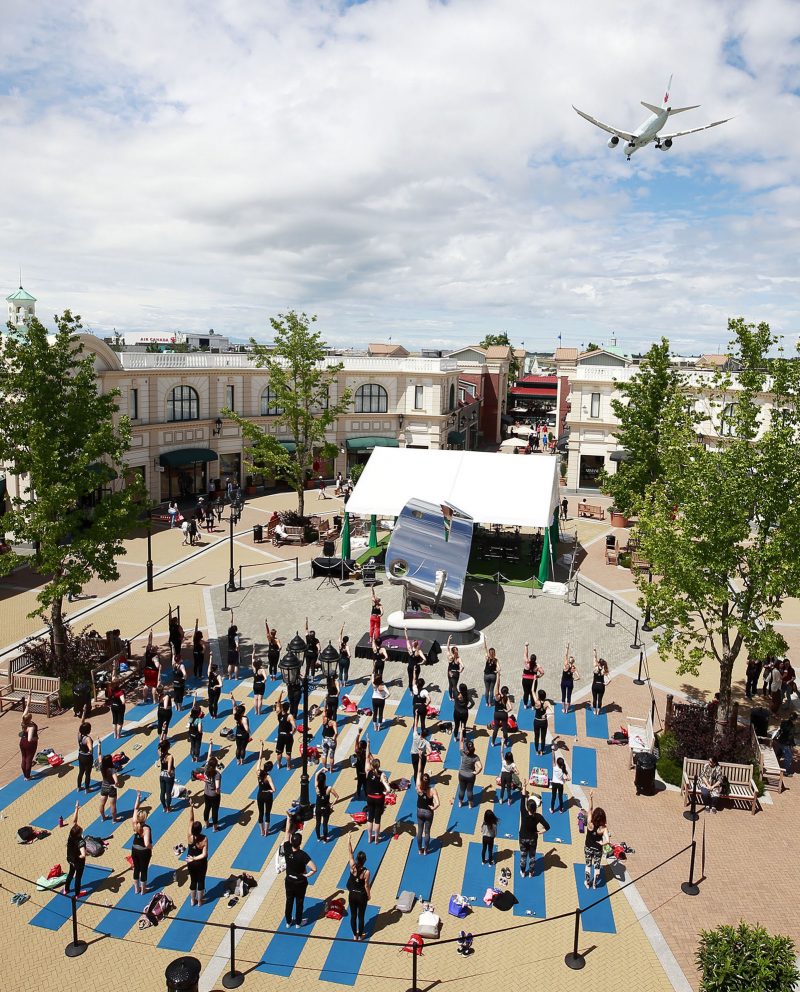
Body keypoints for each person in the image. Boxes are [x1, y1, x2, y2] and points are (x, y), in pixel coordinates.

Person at [282, 815, 317, 927]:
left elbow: (287, 831)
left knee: (289, 901)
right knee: (299, 902)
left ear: (292, 841)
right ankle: (298, 922)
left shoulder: (287, 848)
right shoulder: (302, 855)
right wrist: (306, 875)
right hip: (300, 883)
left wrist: (288, 818)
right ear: (300, 843)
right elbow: (314, 869)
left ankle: (288, 921)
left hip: (289, 881)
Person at [519, 786, 550, 879]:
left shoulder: (523, 812)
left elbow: (522, 797)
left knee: (523, 856)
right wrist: (540, 832)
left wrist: (524, 786)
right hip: (533, 838)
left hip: (523, 838)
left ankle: (523, 872)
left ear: (527, 808)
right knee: (532, 857)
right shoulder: (538, 816)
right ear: (535, 808)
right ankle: (531, 873)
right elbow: (548, 827)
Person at [346, 835, 371, 941]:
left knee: (353, 915)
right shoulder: (366, 872)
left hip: (352, 894)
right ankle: (360, 936)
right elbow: (366, 885)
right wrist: (369, 895)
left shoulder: (352, 866)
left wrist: (349, 840)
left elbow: (350, 853)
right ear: (364, 860)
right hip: (361, 896)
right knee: (361, 916)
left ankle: (354, 935)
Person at [584, 792, 609, 888]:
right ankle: (594, 884)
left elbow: (590, 809)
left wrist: (591, 798)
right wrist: (602, 843)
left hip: (588, 847)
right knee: (597, 866)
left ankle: (587, 882)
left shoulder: (590, 822)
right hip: (598, 849)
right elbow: (608, 841)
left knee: (588, 865)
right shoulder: (603, 828)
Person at [187, 800, 209, 906]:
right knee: (201, 881)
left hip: (190, 861)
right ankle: (200, 901)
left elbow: (191, 819)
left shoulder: (189, 836)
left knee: (193, 881)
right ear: (200, 830)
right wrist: (195, 858)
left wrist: (191, 807)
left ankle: (192, 900)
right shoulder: (204, 839)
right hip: (200, 863)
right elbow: (204, 854)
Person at [131, 792, 153, 894]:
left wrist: (138, 798)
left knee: (136, 868)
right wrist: (151, 847)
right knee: (143, 870)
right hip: (143, 852)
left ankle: (136, 888)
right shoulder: (146, 828)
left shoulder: (135, 823)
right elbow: (146, 843)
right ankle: (143, 890)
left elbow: (135, 809)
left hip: (134, 849)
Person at [64, 801, 86, 896]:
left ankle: (66, 889)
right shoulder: (81, 842)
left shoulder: (71, 835)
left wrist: (76, 809)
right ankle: (77, 894)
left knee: (70, 873)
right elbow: (83, 854)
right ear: (79, 834)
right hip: (78, 861)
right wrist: (82, 855)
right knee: (78, 877)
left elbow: (74, 821)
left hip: (70, 858)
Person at [365, 757, 389, 844]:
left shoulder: (368, 772)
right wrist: (385, 793)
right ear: (379, 766)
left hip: (370, 798)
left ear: (372, 765)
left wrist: (368, 745)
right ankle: (376, 839)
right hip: (379, 798)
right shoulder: (382, 775)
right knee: (377, 819)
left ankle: (369, 837)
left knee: (370, 818)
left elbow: (367, 759)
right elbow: (388, 789)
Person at [415, 771, 440, 856]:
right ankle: (425, 850)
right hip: (428, 812)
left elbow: (418, 773)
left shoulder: (418, 788)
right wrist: (434, 808)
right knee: (427, 832)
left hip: (420, 811)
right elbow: (438, 803)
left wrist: (420, 763)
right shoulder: (432, 790)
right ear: (429, 781)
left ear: (421, 781)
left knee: (419, 831)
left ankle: (419, 850)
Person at [314, 769, 339, 842]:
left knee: (318, 823)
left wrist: (322, 769)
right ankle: (325, 839)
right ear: (325, 780)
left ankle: (318, 838)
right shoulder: (329, 788)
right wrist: (331, 804)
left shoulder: (317, 788)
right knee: (325, 824)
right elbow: (337, 797)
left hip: (318, 808)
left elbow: (316, 774)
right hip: (326, 808)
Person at [457, 738, 482, 808]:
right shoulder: (475, 757)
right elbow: (480, 767)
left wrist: (461, 731)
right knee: (469, 791)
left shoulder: (463, 753)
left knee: (462, 790)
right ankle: (470, 804)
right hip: (471, 776)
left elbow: (461, 741)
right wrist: (476, 772)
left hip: (462, 774)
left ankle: (460, 803)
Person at [256, 746, 275, 837]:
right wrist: (269, 790)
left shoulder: (258, 773)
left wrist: (262, 748)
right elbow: (274, 789)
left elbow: (259, 759)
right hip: (267, 796)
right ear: (270, 769)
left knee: (260, 813)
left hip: (260, 795)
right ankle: (267, 831)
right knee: (267, 813)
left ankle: (261, 831)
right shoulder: (268, 777)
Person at [19, 692, 38, 780]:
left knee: (23, 757)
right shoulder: (31, 727)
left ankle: (25, 775)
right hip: (29, 744)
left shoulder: (23, 720)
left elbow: (27, 706)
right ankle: (28, 776)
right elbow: (30, 739)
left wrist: (29, 695)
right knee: (29, 758)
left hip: (22, 741)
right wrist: (36, 738)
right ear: (29, 719)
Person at [98, 753, 122, 822]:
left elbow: (99, 755)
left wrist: (99, 746)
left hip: (104, 787)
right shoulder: (112, 770)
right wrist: (116, 785)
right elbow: (116, 781)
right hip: (111, 788)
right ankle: (114, 819)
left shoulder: (101, 766)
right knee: (113, 805)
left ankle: (103, 817)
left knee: (102, 804)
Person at [275, 696, 296, 769]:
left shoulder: (278, 713)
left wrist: (280, 695)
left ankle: (279, 764)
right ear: (288, 708)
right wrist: (292, 732)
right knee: (288, 752)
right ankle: (288, 766)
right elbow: (295, 726)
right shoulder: (289, 716)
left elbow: (278, 703)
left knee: (279, 752)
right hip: (287, 736)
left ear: (282, 707)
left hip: (280, 735)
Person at [203, 754, 222, 830]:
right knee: (214, 810)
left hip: (206, 793)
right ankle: (215, 827)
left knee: (207, 808)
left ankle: (206, 824)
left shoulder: (205, 769)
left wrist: (210, 745)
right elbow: (217, 787)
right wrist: (218, 792)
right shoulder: (217, 774)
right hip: (214, 795)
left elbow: (208, 756)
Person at [521, 644, 543, 710]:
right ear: (535, 659)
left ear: (530, 658)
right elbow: (542, 672)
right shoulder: (537, 666)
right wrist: (537, 676)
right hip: (533, 680)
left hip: (525, 680)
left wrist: (526, 646)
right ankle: (533, 706)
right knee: (532, 693)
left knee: (526, 692)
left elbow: (525, 654)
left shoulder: (527, 663)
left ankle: (525, 704)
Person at [76, 721, 96, 792]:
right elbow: (90, 749)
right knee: (87, 773)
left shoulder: (79, 734)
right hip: (87, 758)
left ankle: (79, 787)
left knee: (81, 772)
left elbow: (81, 723)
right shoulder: (88, 739)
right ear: (88, 730)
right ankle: (87, 789)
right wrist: (90, 751)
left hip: (80, 756)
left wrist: (83, 715)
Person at [231, 698, 250, 765]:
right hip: (244, 735)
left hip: (238, 734)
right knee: (243, 748)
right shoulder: (244, 718)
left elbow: (234, 708)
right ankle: (242, 760)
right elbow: (246, 728)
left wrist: (233, 699)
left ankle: (238, 761)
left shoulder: (236, 716)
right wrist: (249, 732)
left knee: (238, 748)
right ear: (243, 712)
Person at [561, 644, 578, 714]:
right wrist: (574, 679)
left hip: (564, 682)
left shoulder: (566, 666)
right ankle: (567, 710)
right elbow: (579, 677)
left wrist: (567, 648)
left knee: (563, 695)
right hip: (570, 682)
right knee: (569, 696)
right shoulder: (573, 668)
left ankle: (563, 709)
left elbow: (565, 655)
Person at [159, 740, 175, 814]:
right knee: (168, 793)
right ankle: (168, 808)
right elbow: (169, 770)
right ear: (168, 747)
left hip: (162, 775)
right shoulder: (170, 756)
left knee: (162, 792)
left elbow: (158, 748)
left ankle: (164, 807)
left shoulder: (160, 754)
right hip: (168, 776)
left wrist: (161, 743)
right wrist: (171, 774)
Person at [591, 649, 609, 716]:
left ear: (598, 663)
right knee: (600, 699)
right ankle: (598, 712)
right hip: (601, 686)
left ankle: (595, 711)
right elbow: (609, 679)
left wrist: (595, 652)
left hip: (595, 685)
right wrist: (606, 683)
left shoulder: (595, 668)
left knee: (594, 699)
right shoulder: (604, 670)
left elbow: (594, 658)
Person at [353, 730, 369, 800]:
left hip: (358, 770)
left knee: (359, 783)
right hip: (364, 770)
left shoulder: (357, 751)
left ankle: (358, 794)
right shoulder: (367, 753)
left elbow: (356, 743)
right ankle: (366, 794)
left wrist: (358, 734)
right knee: (365, 783)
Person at [188, 697, 204, 762]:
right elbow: (199, 729)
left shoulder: (190, 717)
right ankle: (197, 758)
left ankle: (192, 757)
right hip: (197, 734)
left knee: (192, 745)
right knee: (197, 746)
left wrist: (195, 697)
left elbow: (193, 707)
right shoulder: (199, 720)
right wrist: (201, 731)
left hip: (191, 733)